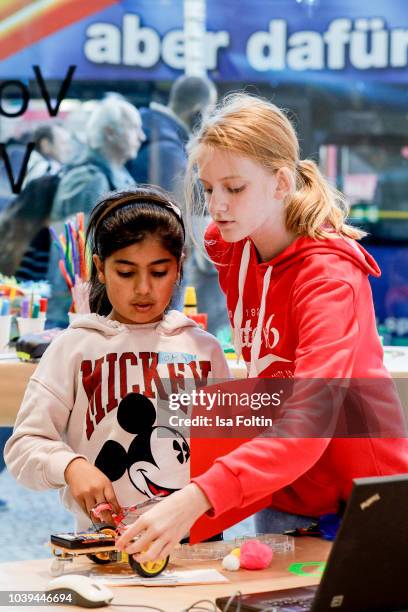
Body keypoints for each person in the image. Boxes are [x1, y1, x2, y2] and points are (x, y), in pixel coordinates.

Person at [115, 93, 408, 566]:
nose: (218, 206)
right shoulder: (231, 246)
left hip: (358, 501)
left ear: (281, 182)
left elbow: (310, 420)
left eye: (234, 187)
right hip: (280, 488)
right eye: (209, 189)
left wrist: (196, 498)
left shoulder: (329, 278)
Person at [5, 187, 229, 531]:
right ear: (100, 267)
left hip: (194, 544)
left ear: (179, 266)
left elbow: (228, 453)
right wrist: (70, 466)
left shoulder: (205, 349)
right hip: (103, 543)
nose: (143, 288)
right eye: (126, 272)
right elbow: (23, 447)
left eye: (159, 272)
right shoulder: (74, 348)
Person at [127, 76, 229, 332]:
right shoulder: (169, 154)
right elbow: (181, 232)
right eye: (209, 112)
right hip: (159, 286)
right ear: (198, 112)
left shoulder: (148, 138)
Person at [47, 97, 145, 326]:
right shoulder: (88, 180)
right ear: (110, 132)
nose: (142, 137)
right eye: (134, 129)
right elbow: (75, 257)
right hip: (79, 316)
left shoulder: (113, 175)